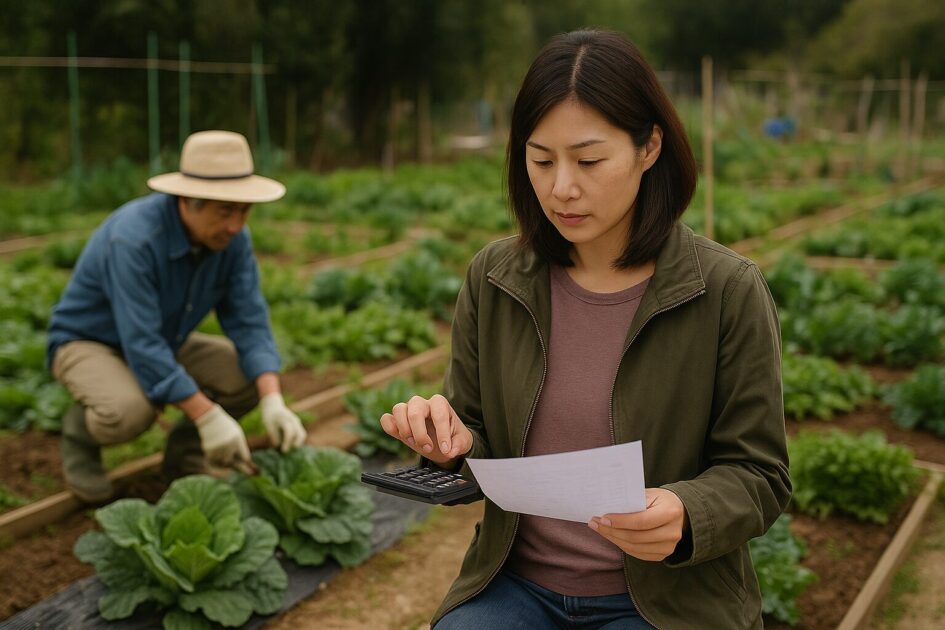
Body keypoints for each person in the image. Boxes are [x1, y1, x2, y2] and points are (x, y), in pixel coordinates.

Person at [379, 30, 790, 629]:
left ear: (649, 146)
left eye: (589, 160)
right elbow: (475, 438)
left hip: (663, 601)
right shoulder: (496, 278)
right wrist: (448, 442)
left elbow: (760, 473)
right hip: (515, 587)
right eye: (541, 160)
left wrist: (685, 510)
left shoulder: (726, 290)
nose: (561, 187)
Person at [47, 130, 307, 504]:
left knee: (250, 375)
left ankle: (184, 455)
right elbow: (141, 343)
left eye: (244, 211)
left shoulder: (232, 241)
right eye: (225, 211)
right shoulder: (134, 239)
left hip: (165, 339)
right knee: (130, 411)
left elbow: (249, 319)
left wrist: (273, 400)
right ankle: (79, 436)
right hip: (90, 342)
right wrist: (207, 414)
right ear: (188, 201)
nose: (236, 225)